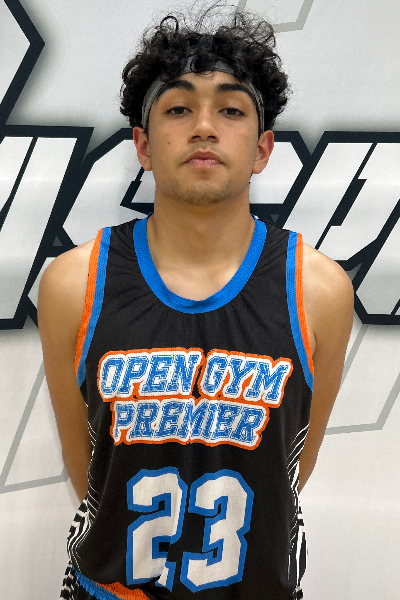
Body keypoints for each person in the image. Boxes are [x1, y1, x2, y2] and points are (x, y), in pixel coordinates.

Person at [38, 5, 354, 600]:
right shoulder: (73, 284)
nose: (204, 127)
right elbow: (88, 469)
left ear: (262, 149)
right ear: (143, 145)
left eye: (231, 110)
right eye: (178, 108)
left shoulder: (319, 290)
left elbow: (291, 467)